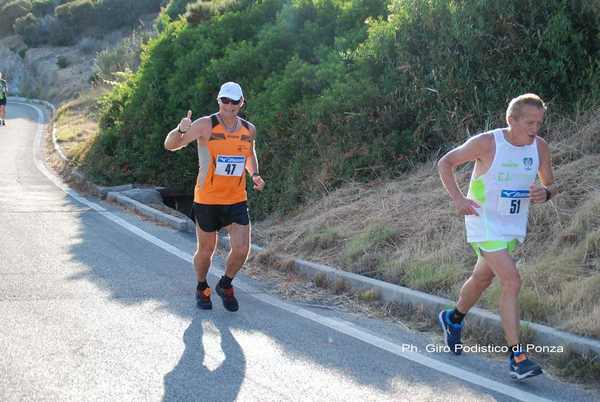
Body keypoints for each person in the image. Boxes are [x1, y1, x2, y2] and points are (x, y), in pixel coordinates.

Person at [437, 93, 556, 380]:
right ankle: (518, 357)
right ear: (511, 120)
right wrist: (458, 199)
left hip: (512, 225)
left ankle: (452, 319)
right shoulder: (488, 142)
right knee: (511, 279)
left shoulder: (539, 147)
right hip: (483, 222)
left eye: (539, 122)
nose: (535, 128)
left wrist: (547, 192)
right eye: (529, 122)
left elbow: (550, 182)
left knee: (483, 278)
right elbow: (446, 162)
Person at [164, 82, 265, 312]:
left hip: (236, 198)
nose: (229, 105)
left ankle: (225, 284)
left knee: (241, 249)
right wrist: (180, 130)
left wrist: (255, 174)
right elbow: (170, 145)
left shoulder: (249, 130)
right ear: (219, 101)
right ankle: (201, 287)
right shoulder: (205, 125)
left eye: (234, 101)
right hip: (208, 199)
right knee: (206, 250)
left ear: (241, 103)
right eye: (225, 101)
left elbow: (249, 153)